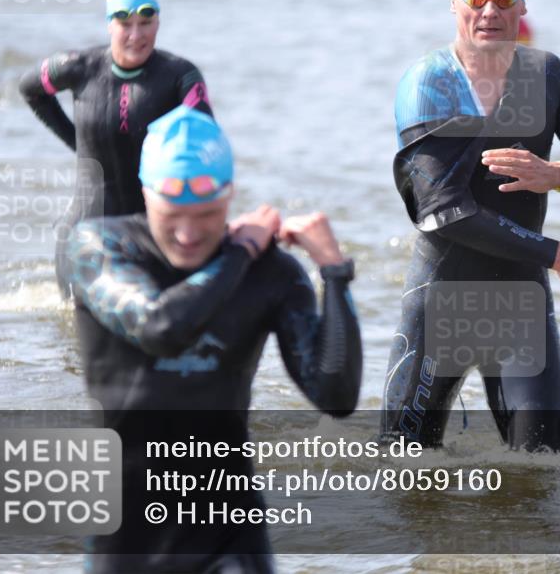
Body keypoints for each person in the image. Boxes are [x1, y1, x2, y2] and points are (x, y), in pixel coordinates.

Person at [67, 106, 362, 573]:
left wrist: (335, 273)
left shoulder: (269, 272)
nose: (188, 234)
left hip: (231, 532)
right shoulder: (100, 248)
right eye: (172, 215)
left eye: (206, 215)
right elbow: (160, 328)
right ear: (145, 195)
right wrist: (240, 252)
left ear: (229, 197)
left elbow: (336, 395)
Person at [381, 0, 560, 452]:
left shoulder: (547, 76)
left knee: (541, 474)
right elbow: (443, 210)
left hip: (520, 308)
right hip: (441, 304)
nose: (489, 12)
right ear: (455, 2)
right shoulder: (429, 82)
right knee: (403, 474)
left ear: (523, 6)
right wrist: (559, 255)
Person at [19, 0, 213, 294]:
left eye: (146, 22)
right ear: (110, 24)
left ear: (158, 22)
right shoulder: (77, 67)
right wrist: (76, 142)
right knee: (78, 326)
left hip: (151, 239)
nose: (136, 35)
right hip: (84, 236)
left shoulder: (180, 77)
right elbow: (30, 90)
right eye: (125, 23)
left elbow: (208, 145)